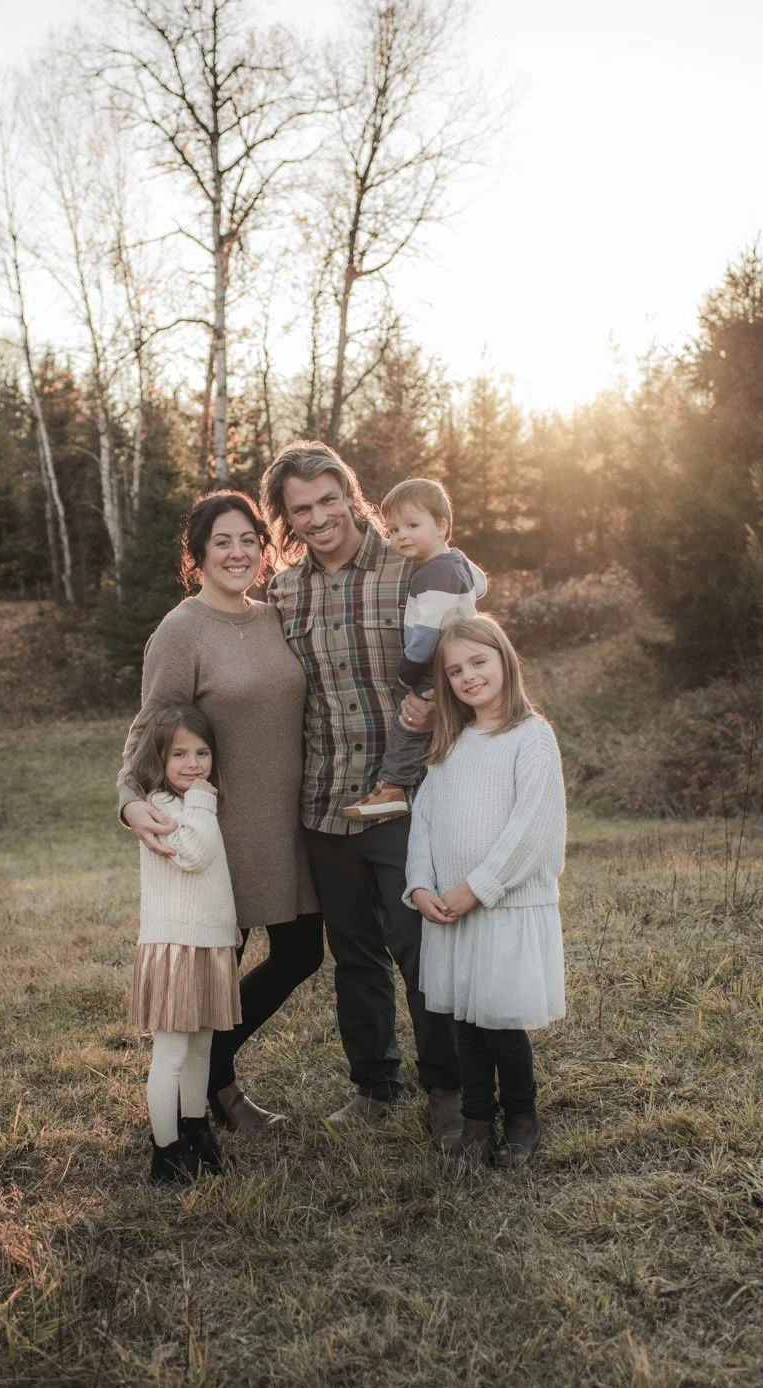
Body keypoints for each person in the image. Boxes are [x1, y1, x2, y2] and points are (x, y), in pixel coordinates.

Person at [260, 442, 462, 1145]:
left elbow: (468, 645)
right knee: (354, 957)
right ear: (286, 519)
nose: (318, 518)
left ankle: (448, 1090)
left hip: (403, 795)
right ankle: (375, 1084)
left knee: (419, 945)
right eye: (300, 509)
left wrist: (437, 696)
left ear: (351, 493)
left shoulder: (412, 567)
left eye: (327, 500)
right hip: (323, 801)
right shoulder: (283, 594)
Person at [118, 491, 323, 1133]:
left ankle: (214, 1071)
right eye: (222, 542)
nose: (238, 553)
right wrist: (129, 801)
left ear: (263, 550)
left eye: (248, 541)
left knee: (301, 954)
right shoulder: (181, 632)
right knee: (213, 978)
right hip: (215, 837)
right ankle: (200, 1105)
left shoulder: (276, 615)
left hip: (286, 827)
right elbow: (149, 731)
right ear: (199, 555)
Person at [403, 615, 567, 1168]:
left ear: (504, 661)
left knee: (501, 1024)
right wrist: (420, 885)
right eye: (455, 670)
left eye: (479, 662)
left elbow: (532, 828)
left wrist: (478, 888)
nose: (469, 676)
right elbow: (424, 820)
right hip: (452, 910)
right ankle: (477, 1121)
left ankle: (521, 1120)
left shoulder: (531, 737)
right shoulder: (449, 744)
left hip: (504, 907)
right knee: (465, 1026)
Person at [123, 700, 240, 1184]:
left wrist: (226, 923)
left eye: (203, 752)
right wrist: (202, 799)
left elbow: (214, 875)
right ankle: (165, 1152)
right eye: (179, 755)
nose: (193, 764)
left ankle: (196, 1128)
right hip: (174, 948)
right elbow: (192, 854)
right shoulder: (161, 807)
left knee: (200, 1049)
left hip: (207, 943)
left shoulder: (194, 804)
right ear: (158, 759)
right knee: (171, 1055)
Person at [342, 477, 486, 821]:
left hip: (436, 665)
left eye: (412, 525)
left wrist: (406, 673)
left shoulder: (432, 575)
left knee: (407, 720)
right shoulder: (455, 563)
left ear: (441, 527)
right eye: (393, 530)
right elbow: (481, 584)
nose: (400, 535)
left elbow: (426, 635)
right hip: (458, 665)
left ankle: (392, 787)